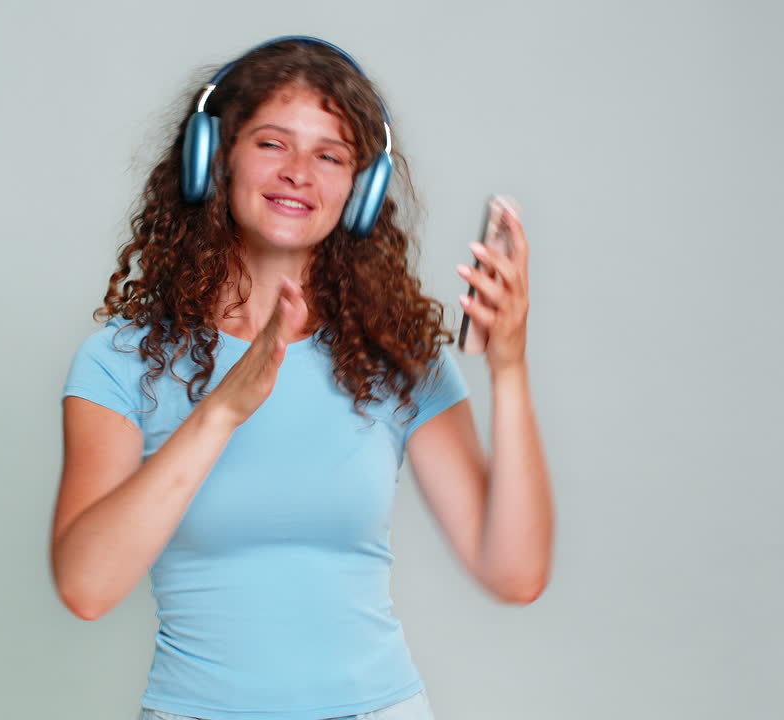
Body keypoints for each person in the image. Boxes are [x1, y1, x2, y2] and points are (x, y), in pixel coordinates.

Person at [51, 36, 553, 720]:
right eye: (271, 144)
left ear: (360, 191)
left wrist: (510, 369)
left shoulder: (396, 359)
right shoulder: (122, 361)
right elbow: (86, 586)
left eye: (330, 155)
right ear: (213, 159)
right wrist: (221, 410)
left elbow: (515, 574)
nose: (298, 173)